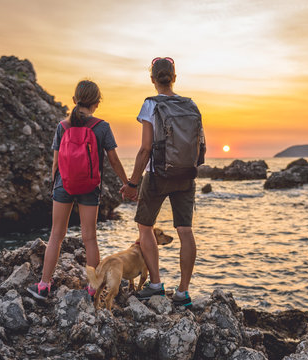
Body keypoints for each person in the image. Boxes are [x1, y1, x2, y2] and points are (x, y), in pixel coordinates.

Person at [28, 80, 130, 300]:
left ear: (74, 100)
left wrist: (56, 186)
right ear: (97, 103)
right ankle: (93, 288)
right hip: (90, 187)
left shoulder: (62, 127)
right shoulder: (101, 126)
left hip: (64, 185)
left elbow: (55, 163)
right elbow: (113, 160)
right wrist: (128, 183)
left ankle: (44, 285)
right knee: (90, 238)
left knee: (56, 235)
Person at [121, 57, 203, 308]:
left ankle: (155, 284)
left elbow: (145, 148)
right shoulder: (191, 105)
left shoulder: (151, 105)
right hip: (186, 175)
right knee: (185, 231)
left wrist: (133, 183)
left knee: (145, 227)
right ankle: (183, 292)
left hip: (157, 175)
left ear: (153, 79)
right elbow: (199, 144)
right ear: (174, 78)